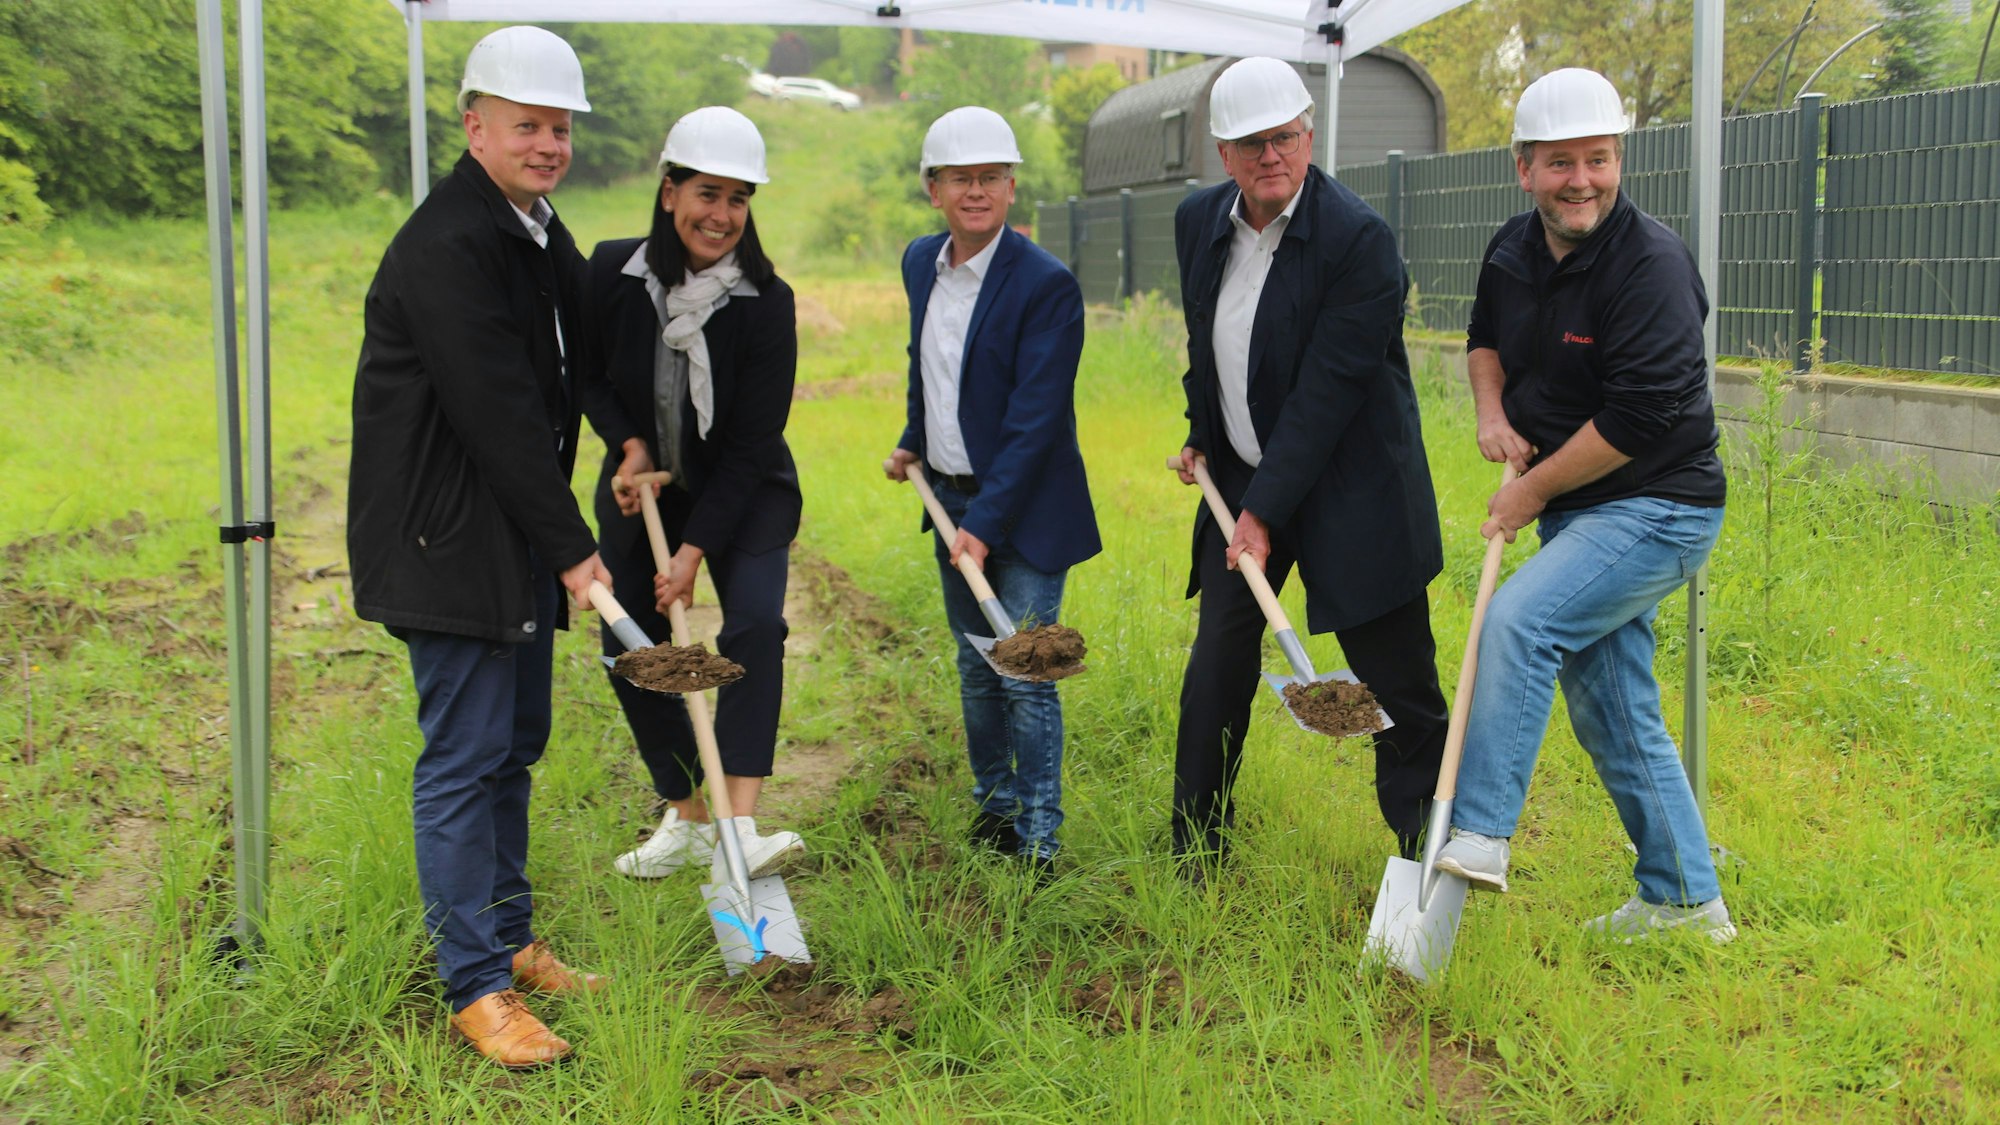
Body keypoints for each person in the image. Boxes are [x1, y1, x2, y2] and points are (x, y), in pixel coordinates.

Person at [346, 26, 610, 1069]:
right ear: (474, 126)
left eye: (559, 127)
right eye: (526, 125)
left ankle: (510, 937)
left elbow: (576, 360)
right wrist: (575, 547)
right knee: (463, 760)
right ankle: (475, 987)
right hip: (446, 538)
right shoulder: (448, 244)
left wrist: (627, 428)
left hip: (506, 535)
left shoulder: (536, 231)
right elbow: (497, 412)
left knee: (515, 747)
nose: (547, 144)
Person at [1431, 68, 1737, 943]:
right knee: (1613, 703)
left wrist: (1526, 490)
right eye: (1560, 163)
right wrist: (1493, 416)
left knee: (1518, 622)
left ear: (1618, 160)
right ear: (1523, 168)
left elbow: (1640, 418)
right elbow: (1483, 339)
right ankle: (1686, 899)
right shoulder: (1511, 247)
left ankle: (1481, 832)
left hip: (1661, 507)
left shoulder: (1653, 267)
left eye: (1598, 160)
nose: (1582, 181)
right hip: (1583, 512)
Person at [1170, 58, 1448, 871]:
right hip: (1244, 481)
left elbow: (1329, 393)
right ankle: (1196, 845)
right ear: (1223, 153)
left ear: (1309, 134)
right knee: (1218, 661)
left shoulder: (1358, 240)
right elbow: (1208, 345)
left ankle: (1422, 855)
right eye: (1251, 143)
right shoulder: (1199, 223)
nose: (1271, 157)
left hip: (1354, 489)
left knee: (1396, 682)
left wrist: (1265, 511)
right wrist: (1201, 433)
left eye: (1285, 137)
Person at [580, 106, 805, 881]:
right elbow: (585, 372)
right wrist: (629, 441)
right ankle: (689, 813)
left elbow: (749, 444)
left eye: (739, 199)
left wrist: (692, 551)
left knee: (752, 628)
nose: (722, 215)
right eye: (708, 193)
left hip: (745, 496)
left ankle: (741, 822)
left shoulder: (765, 300)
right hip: (645, 491)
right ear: (669, 190)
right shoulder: (612, 272)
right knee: (629, 646)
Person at [881, 107, 1099, 871]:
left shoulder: (1047, 286)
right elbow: (929, 367)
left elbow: (1034, 422)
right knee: (978, 667)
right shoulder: (919, 263)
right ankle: (995, 811)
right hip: (951, 497)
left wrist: (983, 523)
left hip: (1029, 510)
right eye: (958, 178)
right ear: (933, 189)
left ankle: (1040, 836)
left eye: (989, 178)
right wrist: (914, 437)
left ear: (1010, 187)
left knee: (1027, 674)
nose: (975, 191)